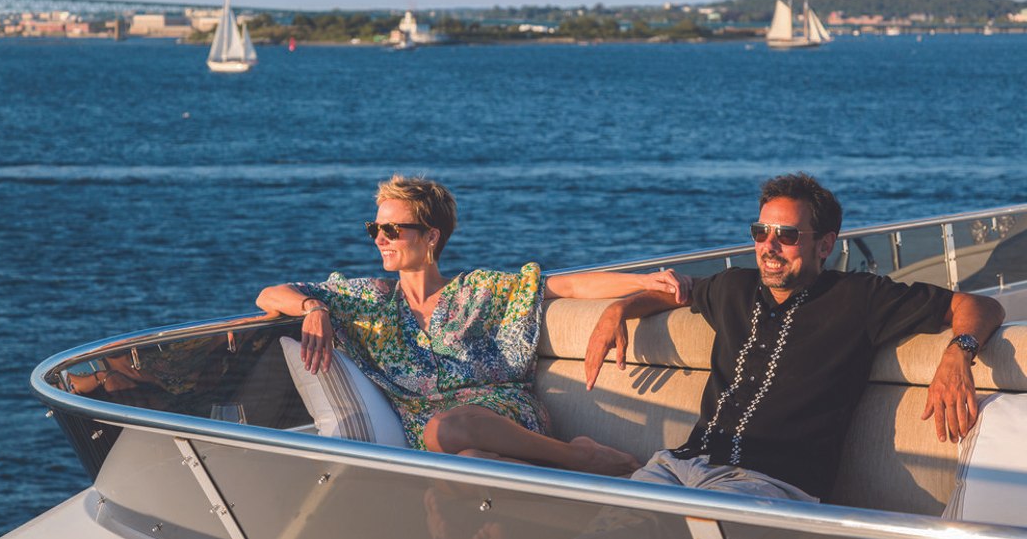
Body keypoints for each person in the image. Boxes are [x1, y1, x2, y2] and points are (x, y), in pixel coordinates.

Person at [584, 173, 1005, 501]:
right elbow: (680, 291)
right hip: (679, 466)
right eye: (761, 232)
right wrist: (620, 309)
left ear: (825, 245)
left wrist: (958, 353)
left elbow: (979, 306)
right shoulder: (733, 287)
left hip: (769, 485)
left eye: (786, 236)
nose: (770, 246)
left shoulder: (860, 298)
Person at [257, 175, 692, 476]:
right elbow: (270, 294)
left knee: (449, 432)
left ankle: (580, 459)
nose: (379, 238)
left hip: (504, 417)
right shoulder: (370, 300)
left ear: (431, 237)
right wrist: (314, 307)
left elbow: (565, 287)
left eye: (392, 228)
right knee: (466, 460)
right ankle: (580, 478)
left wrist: (641, 281)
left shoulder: (477, 290)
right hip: (437, 443)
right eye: (375, 227)